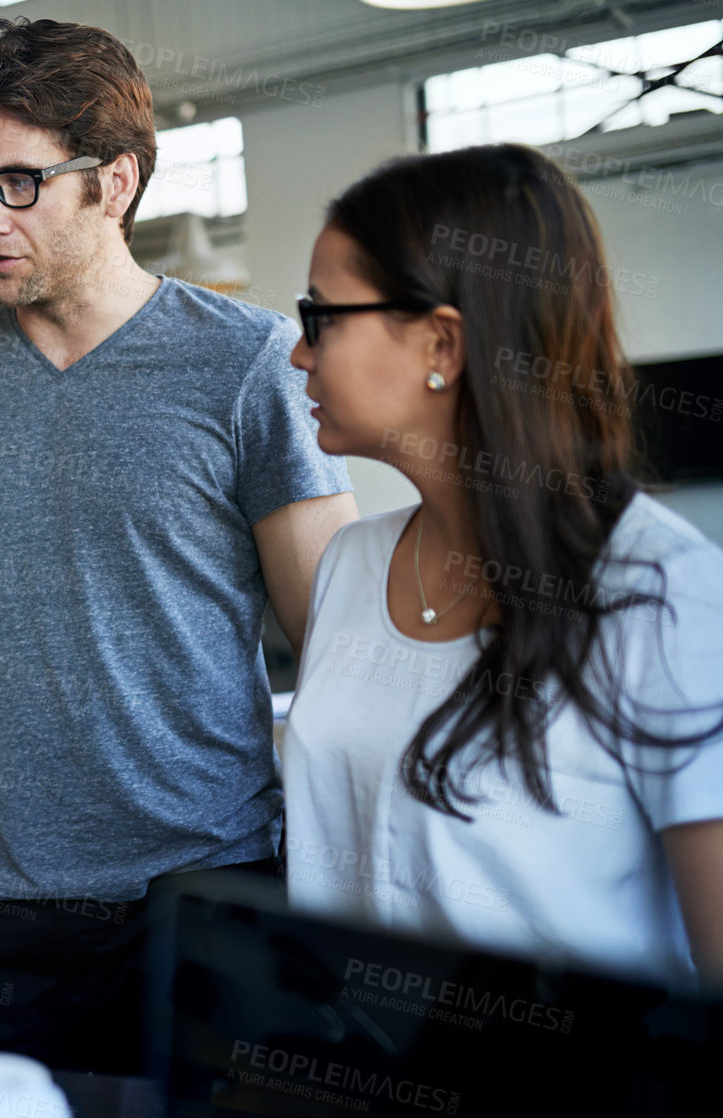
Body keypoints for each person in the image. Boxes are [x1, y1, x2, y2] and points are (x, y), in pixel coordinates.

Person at [0, 17, 357, 1073]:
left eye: (16, 183)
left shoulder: (243, 366)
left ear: (113, 184)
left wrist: (354, 893)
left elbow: (338, 645)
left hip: (204, 893)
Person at [282, 144, 723, 988]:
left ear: (440, 342)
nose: (299, 354)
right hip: (347, 1097)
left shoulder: (661, 596)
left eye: (322, 318)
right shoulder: (352, 562)